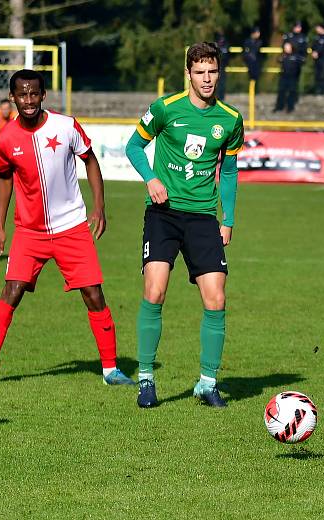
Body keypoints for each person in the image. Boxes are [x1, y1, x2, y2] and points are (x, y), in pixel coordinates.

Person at [0, 69, 134, 387]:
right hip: (29, 232)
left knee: (94, 294)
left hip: (72, 227)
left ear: (43, 95)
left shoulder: (66, 126)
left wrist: (99, 206)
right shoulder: (5, 138)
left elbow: (90, 160)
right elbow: (4, 179)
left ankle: (111, 370)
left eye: (34, 94)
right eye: (22, 94)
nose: (28, 100)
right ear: (13, 97)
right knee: (12, 292)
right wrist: (0, 228)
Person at [125, 42, 244, 409]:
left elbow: (229, 171)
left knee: (216, 298)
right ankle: (146, 379)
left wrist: (228, 219)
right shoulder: (165, 108)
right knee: (155, 291)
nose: (207, 79)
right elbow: (132, 147)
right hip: (163, 213)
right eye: (200, 72)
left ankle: (207, 383)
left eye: (212, 72)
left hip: (204, 217)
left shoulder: (230, 119)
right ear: (188, 74)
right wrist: (150, 178)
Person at [274, 42, 302, 113]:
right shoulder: (283, 56)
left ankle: (290, 108)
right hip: (284, 77)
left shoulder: (296, 56)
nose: (287, 49)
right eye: (285, 47)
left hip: (292, 77)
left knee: (291, 92)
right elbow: (278, 60)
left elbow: (301, 62)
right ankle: (279, 107)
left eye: (288, 47)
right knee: (281, 92)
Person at [214, 32, 230, 100]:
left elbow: (227, 56)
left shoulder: (226, 46)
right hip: (215, 67)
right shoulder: (215, 46)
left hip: (222, 67)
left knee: (222, 84)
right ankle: (216, 98)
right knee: (215, 84)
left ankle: (221, 99)